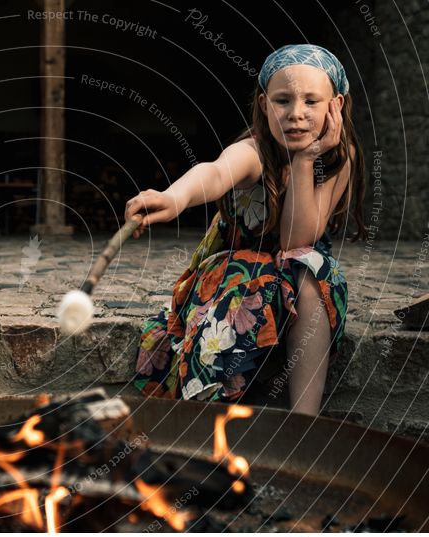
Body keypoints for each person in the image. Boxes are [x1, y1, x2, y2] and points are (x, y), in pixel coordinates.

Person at [125, 45, 366, 415]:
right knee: (246, 278)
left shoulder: (337, 158)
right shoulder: (254, 152)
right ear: (265, 104)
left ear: (335, 105)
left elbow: (295, 241)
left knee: (314, 269)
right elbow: (216, 172)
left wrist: (305, 161)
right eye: (283, 100)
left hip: (294, 279)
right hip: (237, 275)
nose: (296, 114)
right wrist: (174, 197)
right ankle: (205, 413)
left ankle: (304, 421)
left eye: (311, 102)